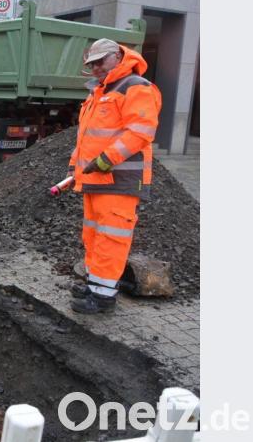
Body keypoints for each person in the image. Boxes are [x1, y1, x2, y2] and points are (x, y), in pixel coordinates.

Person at [64, 38, 162, 314]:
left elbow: (141, 131)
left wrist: (107, 160)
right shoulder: (99, 92)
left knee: (112, 238)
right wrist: (75, 167)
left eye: (99, 62)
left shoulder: (136, 87)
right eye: (91, 64)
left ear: (118, 57)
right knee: (94, 236)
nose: (95, 68)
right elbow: (85, 139)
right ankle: (95, 284)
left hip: (119, 180)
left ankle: (104, 297)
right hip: (95, 178)